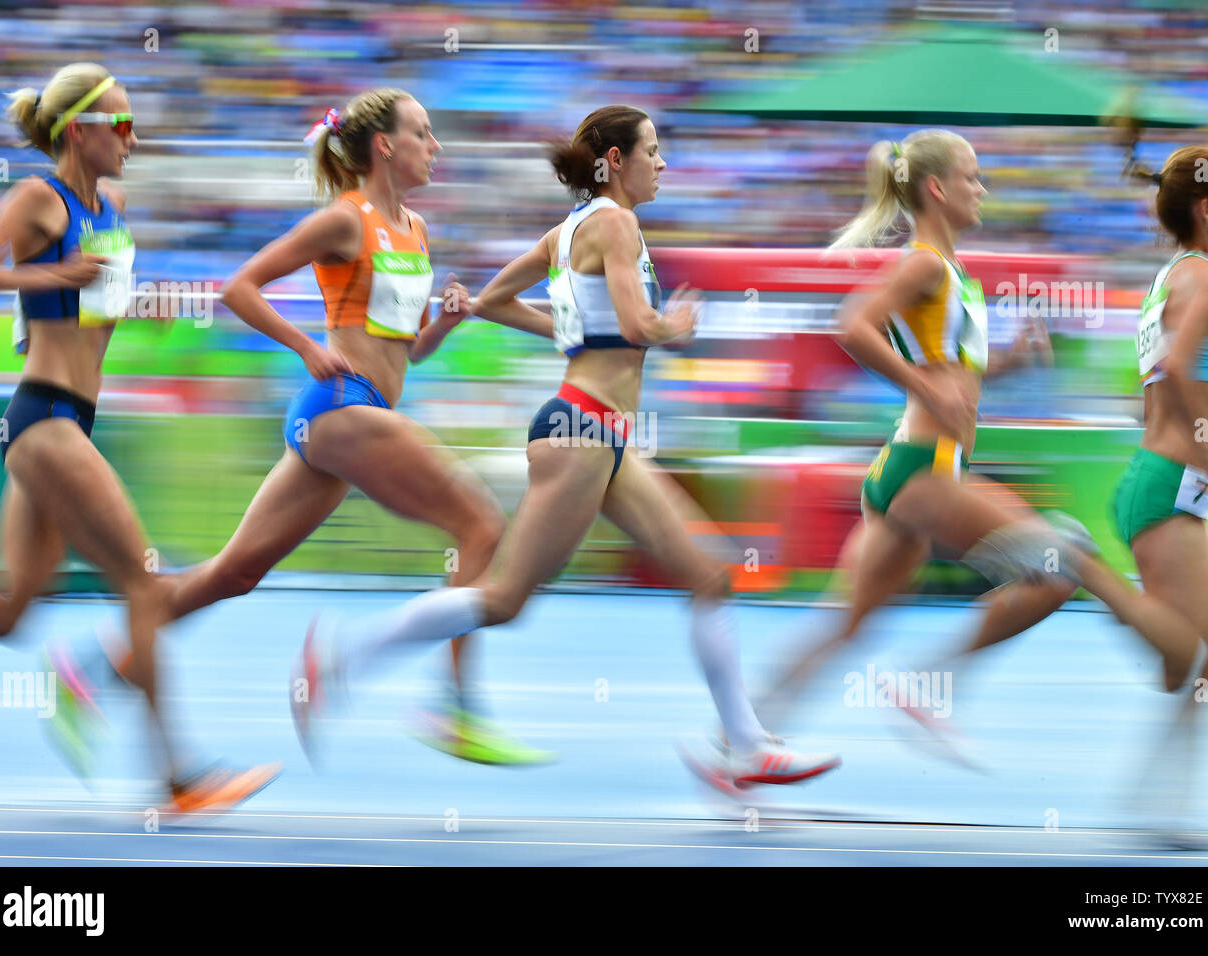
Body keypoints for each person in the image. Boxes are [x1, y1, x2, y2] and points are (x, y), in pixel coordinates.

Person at [294, 105, 840, 790]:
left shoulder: (569, 230)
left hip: (598, 435)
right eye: (653, 150)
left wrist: (582, 332)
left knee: (709, 576)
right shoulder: (615, 222)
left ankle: (745, 747)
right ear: (615, 162)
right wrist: (671, 327)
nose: (664, 163)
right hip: (580, 431)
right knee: (502, 599)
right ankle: (342, 659)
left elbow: (491, 302)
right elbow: (639, 322)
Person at [62, 88, 550, 766]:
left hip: (361, 413)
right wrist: (306, 345)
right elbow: (240, 288)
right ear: (385, 146)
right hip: (339, 408)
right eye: (424, 134)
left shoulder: (415, 229)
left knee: (233, 574)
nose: (436, 148)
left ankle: (89, 674)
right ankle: (454, 703)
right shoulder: (345, 220)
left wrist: (446, 320)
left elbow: (406, 352)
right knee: (481, 524)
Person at [752, 130, 1201, 767]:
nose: (982, 188)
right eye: (973, 176)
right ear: (938, 189)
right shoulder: (926, 264)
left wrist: (1009, 364)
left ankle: (744, 740)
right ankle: (939, 680)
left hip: (908, 470)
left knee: (846, 625)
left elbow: (951, 376)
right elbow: (852, 325)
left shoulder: (954, 273)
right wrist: (921, 388)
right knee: (1062, 556)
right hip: (923, 473)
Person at [0, 62, 278, 811]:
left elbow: (98, 303)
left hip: (69, 419)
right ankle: (179, 780)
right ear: (79, 130)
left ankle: (121, 727)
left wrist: (144, 305)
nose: (135, 136)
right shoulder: (39, 197)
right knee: (141, 582)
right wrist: (54, 275)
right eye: (122, 123)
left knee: (7, 615)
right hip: (43, 418)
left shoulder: (116, 204)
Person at [1116, 145, 1208, 839]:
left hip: (1167, 486)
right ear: (1205, 208)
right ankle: (1081, 568)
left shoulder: (1178, 276)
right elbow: (1175, 364)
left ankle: (1161, 803)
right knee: (1203, 656)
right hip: (1171, 480)